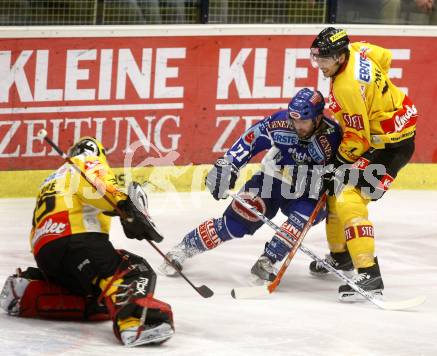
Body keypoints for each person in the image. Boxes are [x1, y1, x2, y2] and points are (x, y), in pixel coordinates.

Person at [0, 137, 174, 346]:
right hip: (78, 241)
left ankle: (27, 291)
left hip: (46, 252)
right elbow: (97, 183)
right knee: (134, 269)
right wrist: (124, 204)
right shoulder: (86, 160)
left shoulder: (52, 178)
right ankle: (133, 322)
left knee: (98, 299)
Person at [159, 88, 342, 282]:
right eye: (294, 120)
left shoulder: (333, 135)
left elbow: (346, 163)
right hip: (271, 180)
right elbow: (250, 140)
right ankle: (182, 250)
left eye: (303, 121)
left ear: (318, 118)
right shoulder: (280, 121)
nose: (297, 126)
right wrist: (228, 165)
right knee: (235, 224)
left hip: (307, 189)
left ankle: (268, 259)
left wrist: (333, 178)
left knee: (300, 220)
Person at [309, 28, 418, 301]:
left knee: (348, 197)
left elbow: (358, 140)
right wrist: (377, 98)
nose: (319, 64)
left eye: (323, 59)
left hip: (390, 148)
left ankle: (369, 274)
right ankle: (341, 256)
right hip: (389, 135)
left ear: (338, 56)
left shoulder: (347, 87)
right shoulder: (359, 49)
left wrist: (335, 165)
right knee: (337, 194)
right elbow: (386, 57)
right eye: (316, 57)